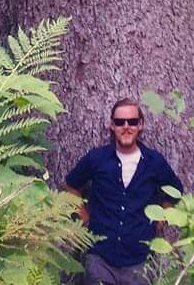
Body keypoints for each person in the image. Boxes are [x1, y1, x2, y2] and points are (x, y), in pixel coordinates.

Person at [65, 98, 184, 285]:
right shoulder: (97, 158)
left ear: (140, 125)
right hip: (99, 259)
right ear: (112, 125)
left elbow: (175, 189)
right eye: (120, 122)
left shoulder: (154, 161)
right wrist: (84, 217)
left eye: (132, 121)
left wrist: (162, 218)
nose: (126, 126)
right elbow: (71, 185)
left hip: (139, 262)